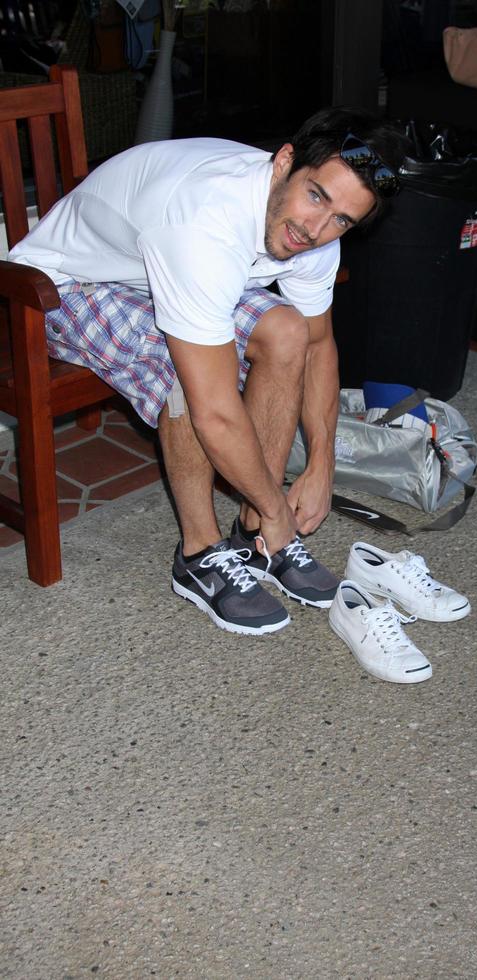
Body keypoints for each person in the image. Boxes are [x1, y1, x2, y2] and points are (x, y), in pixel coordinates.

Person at [9, 106, 407, 636]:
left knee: (286, 332)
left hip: (157, 269)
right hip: (68, 284)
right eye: (317, 196)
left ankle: (253, 533)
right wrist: (279, 508)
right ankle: (199, 554)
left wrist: (321, 466)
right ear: (285, 162)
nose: (314, 229)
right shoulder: (203, 220)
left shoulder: (309, 228)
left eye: (341, 220)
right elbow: (215, 411)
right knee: (187, 380)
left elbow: (317, 345)